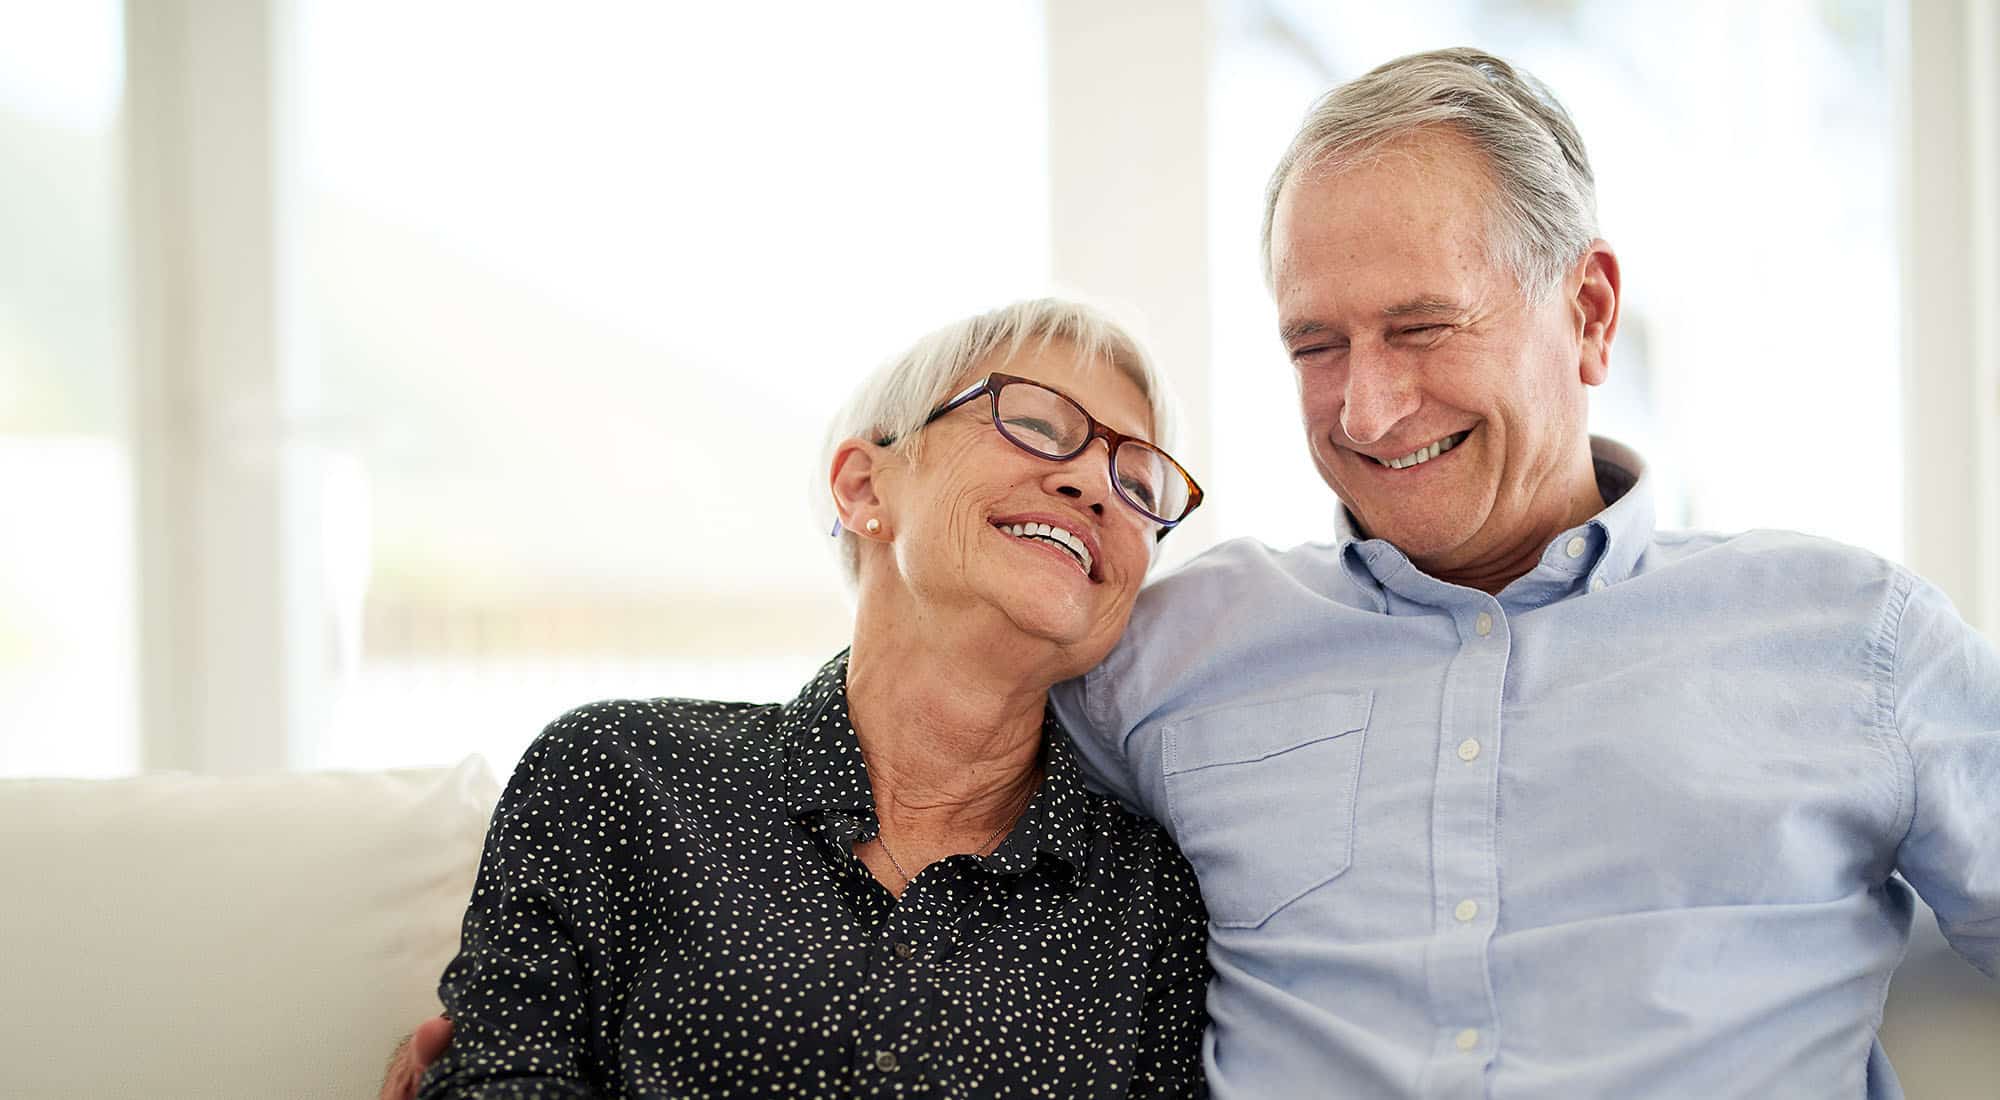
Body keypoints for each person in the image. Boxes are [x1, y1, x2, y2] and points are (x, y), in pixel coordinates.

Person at [1052, 48, 1998, 1099]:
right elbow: (904, 767)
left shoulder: (1853, 638)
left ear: (1587, 312)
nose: (1365, 411)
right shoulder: (1170, 649)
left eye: (1421, 327)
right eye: (1315, 345)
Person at [406, 299, 1211, 1098]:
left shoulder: (1154, 894)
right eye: (1035, 425)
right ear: (864, 488)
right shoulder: (618, 774)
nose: (1095, 484)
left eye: (1137, 481)